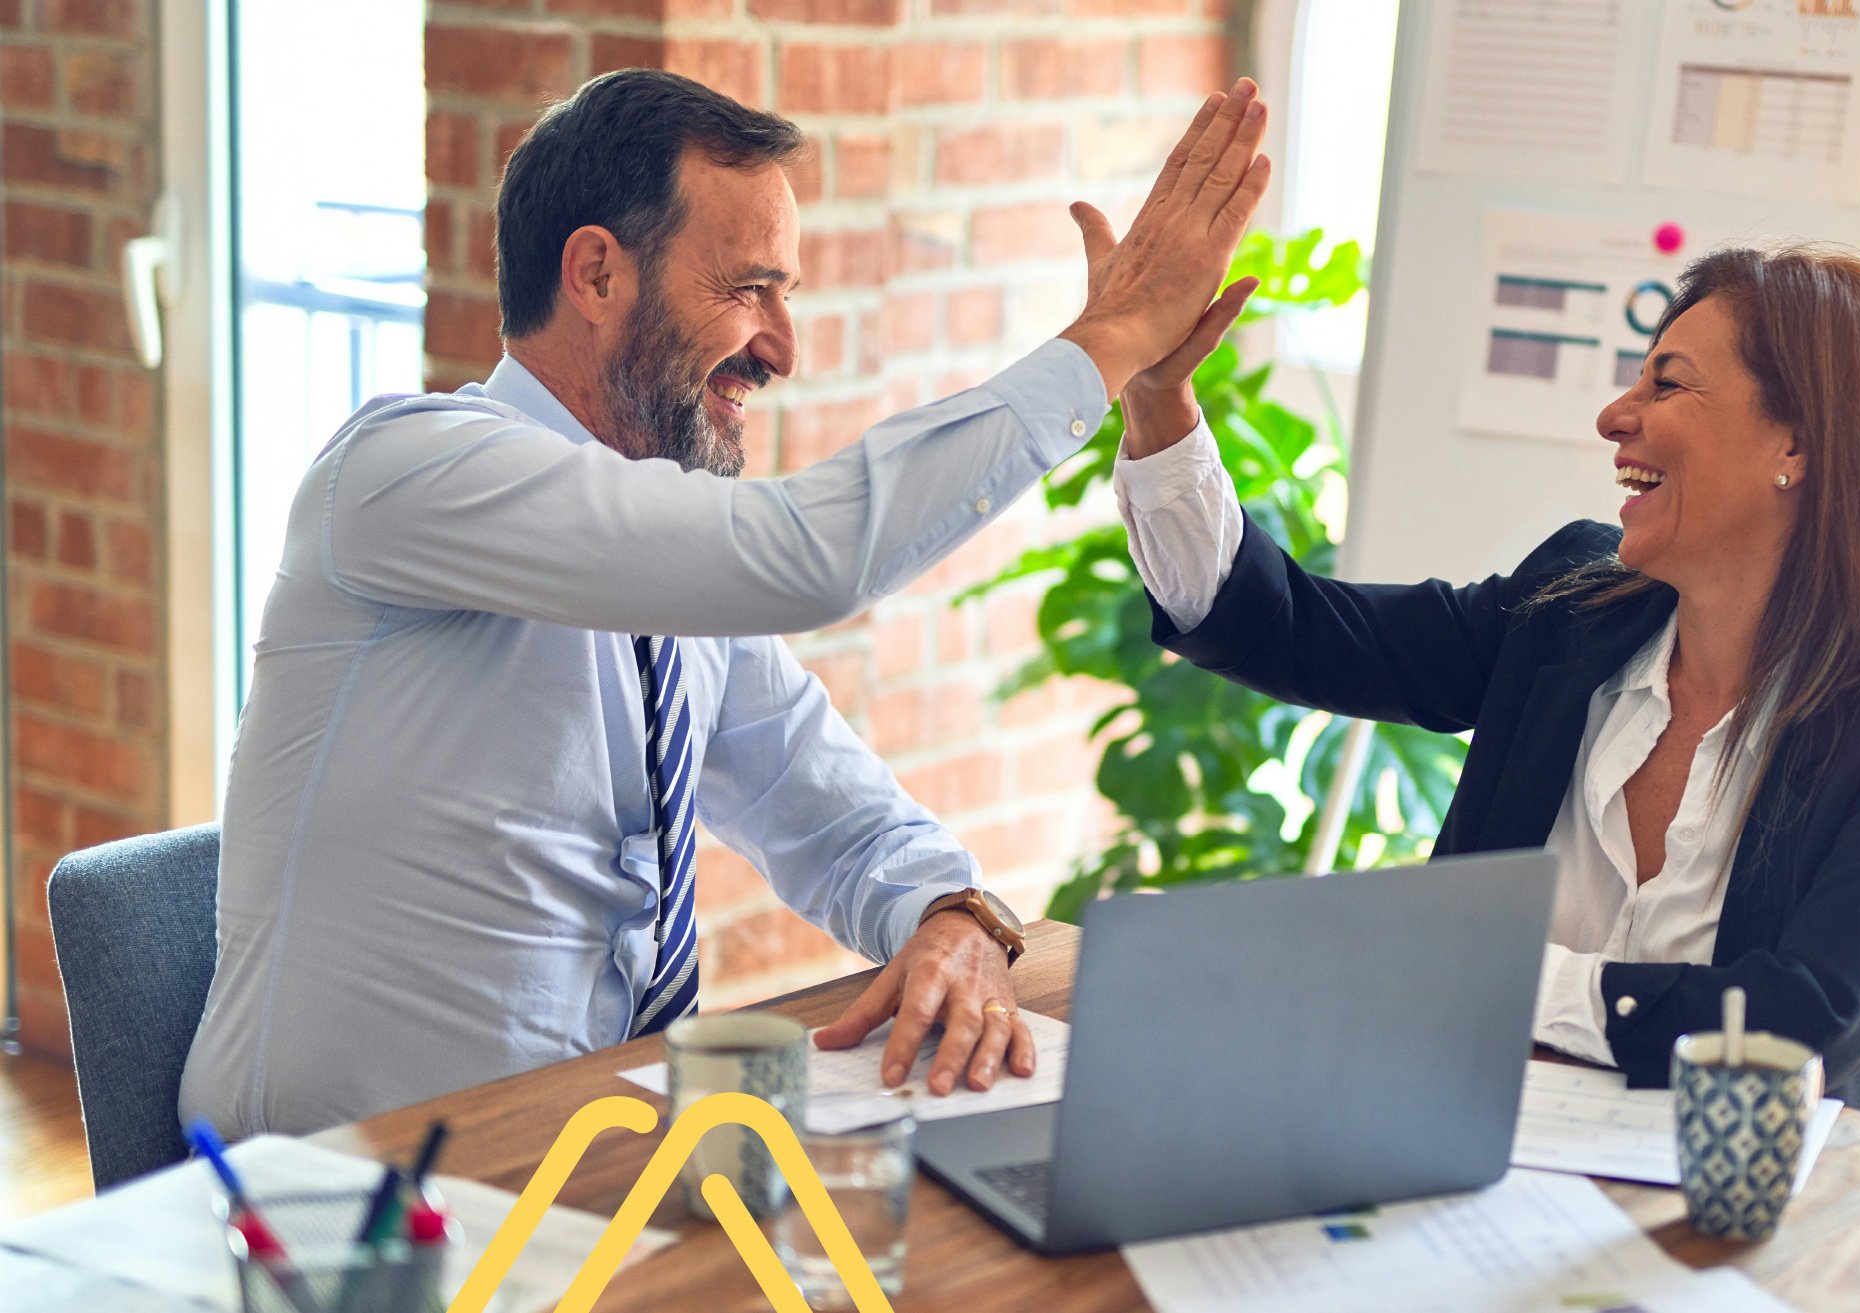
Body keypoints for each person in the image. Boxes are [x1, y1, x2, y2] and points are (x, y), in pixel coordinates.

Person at [180, 69, 1273, 1137]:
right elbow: (809, 555)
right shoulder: (406, 471)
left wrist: (952, 915)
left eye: (784, 294)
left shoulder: (670, 576)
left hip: (587, 1161)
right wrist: (1111, 340)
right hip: (342, 1208)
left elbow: (836, 814)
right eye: (749, 287)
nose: (781, 348)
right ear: (597, 276)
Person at [1111, 244, 1860, 1112]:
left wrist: (1487, 973)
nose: (1614, 416)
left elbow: (1796, 1031)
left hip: (1747, 1223)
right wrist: (1159, 399)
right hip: (1464, 1152)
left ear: (1797, 446)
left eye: (1665, 383)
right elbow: (1287, 628)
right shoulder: (1569, 610)